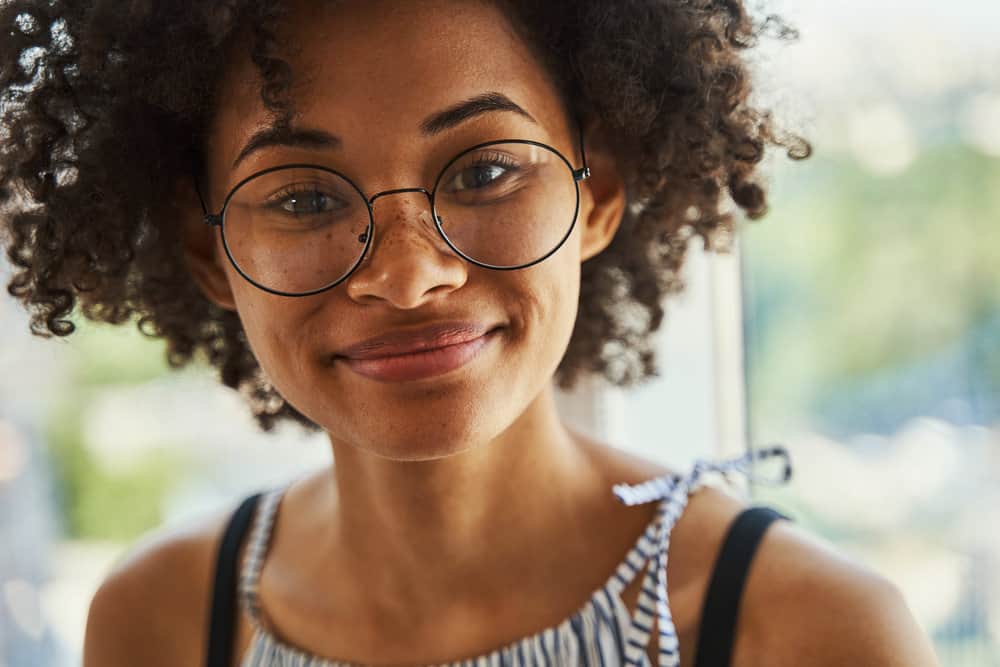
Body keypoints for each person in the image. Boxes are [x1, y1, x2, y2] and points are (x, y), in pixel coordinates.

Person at [0, 1, 940, 665]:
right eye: (301, 196)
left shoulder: (810, 633)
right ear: (208, 250)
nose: (409, 274)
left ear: (597, 190)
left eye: (485, 171)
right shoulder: (160, 625)